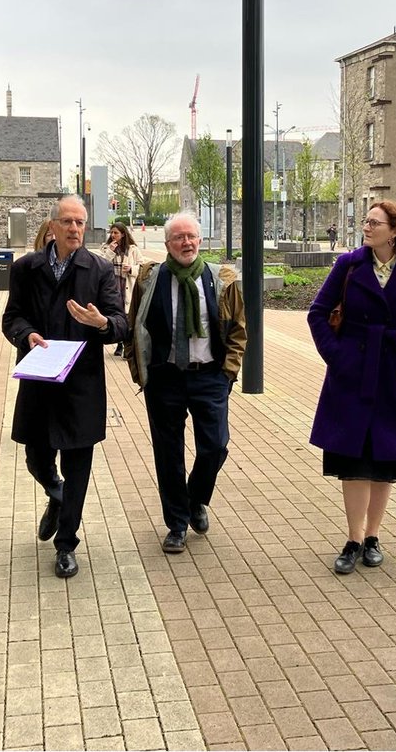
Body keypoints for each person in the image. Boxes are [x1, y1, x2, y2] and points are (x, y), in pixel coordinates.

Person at [306, 201, 396, 574]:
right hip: (351, 376)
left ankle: (372, 536)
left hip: (394, 376)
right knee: (353, 459)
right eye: (365, 221)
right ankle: (352, 539)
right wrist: (338, 356)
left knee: (386, 457)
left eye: (374, 222)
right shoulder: (349, 265)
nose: (366, 227)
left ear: (395, 230)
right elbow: (317, 313)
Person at [1, 196, 127, 578]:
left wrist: (101, 323)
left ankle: (67, 544)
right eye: (68, 222)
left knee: (78, 466)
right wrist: (27, 335)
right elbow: (12, 317)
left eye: (80, 222)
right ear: (52, 226)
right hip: (40, 380)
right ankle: (55, 495)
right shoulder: (26, 269)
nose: (75, 229)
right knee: (36, 459)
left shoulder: (99, 270)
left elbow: (121, 323)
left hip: (81, 386)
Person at [124, 212, 247, 554]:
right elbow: (135, 324)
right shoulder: (151, 279)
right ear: (167, 245)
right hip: (165, 378)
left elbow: (238, 329)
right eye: (179, 238)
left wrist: (228, 372)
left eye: (191, 236)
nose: (186, 243)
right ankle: (177, 524)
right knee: (168, 454)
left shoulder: (221, 279)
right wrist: (141, 370)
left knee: (216, 446)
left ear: (200, 240)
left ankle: (195, 500)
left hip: (209, 375)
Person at [97, 220, 144, 357]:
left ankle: (126, 345)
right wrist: (110, 251)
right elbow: (101, 264)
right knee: (116, 313)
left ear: (123, 234)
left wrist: (131, 269)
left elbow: (142, 267)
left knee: (128, 316)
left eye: (116, 233)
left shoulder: (133, 249)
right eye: (111, 232)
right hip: (113, 284)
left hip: (127, 284)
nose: (113, 235)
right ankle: (119, 344)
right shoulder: (106, 248)